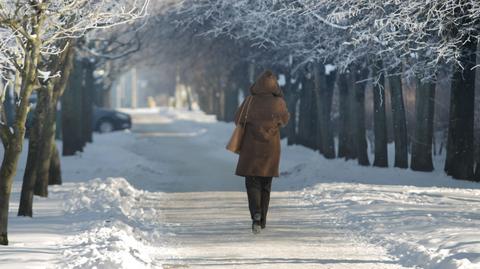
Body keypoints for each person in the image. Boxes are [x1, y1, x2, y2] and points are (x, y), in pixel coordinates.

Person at [234, 70, 290, 234]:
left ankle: (255, 215)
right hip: (271, 149)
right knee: (266, 184)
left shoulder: (250, 101)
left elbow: (237, 119)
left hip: (251, 148)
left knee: (252, 182)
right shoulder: (278, 102)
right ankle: (263, 219)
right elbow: (285, 120)